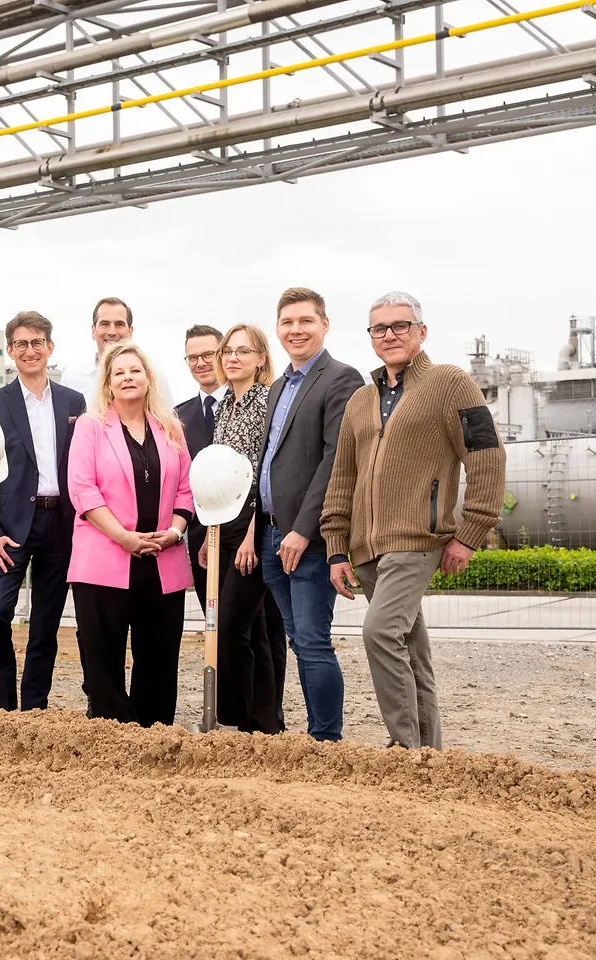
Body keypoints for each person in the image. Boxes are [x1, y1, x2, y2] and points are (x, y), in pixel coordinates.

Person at [321, 292, 506, 750]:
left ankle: (405, 748)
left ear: (422, 332)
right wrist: (336, 547)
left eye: (400, 326)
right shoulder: (361, 400)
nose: (390, 335)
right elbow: (343, 474)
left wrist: (470, 531)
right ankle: (428, 754)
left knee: (381, 632)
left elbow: (486, 456)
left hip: (417, 538)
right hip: (367, 549)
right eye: (379, 329)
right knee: (410, 649)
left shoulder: (450, 383)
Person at [67, 341, 193, 727]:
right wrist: (123, 536)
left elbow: (187, 488)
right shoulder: (90, 426)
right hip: (105, 559)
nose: (127, 377)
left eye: (134, 370)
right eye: (118, 372)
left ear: (148, 378)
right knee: (103, 659)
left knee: (158, 658)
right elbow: (82, 488)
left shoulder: (170, 428)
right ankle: (116, 739)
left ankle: (153, 735)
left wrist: (174, 532)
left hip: (162, 558)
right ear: (107, 383)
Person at [258, 288, 365, 743]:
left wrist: (303, 529)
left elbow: (335, 460)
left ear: (324, 325)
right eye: (287, 322)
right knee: (299, 641)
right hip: (270, 534)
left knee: (314, 641)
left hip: (310, 540)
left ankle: (327, 739)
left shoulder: (341, 378)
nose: (295, 330)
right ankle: (318, 735)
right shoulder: (279, 386)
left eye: (305, 321)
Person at [0, 312, 86, 711]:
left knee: (45, 624)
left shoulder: (74, 401)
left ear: (49, 347)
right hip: (10, 527)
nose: (29, 350)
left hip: (61, 522)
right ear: (10, 352)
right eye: (21, 344)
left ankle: (34, 706)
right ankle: (3, 705)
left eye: (36, 342)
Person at [197, 324, 282, 735]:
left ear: (261, 358)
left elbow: (263, 473)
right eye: (228, 351)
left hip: (254, 524)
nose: (233, 358)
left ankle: (244, 721)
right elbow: (218, 475)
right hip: (223, 525)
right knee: (255, 631)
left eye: (243, 351)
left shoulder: (268, 403)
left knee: (231, 625)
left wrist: (252, 533)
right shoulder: (224, 406)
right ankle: (263, 724)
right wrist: (211, 533)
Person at [173, 324, 226, 614]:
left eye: (208, 354)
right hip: (199, 534)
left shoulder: (251, 403)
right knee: (213, 620)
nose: (201, 363)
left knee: (260, 630)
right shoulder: (178, 417)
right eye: (192, 357)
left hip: (246, 535)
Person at [57, 297, 174, 405]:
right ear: (93, 331)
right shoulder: (72, 376)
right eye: (105, 324)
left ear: (130, 331)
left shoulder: (153, 375)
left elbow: (168, 420)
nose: (112, 332)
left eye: (119, 324)